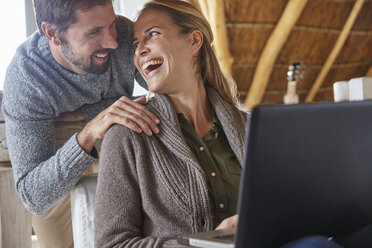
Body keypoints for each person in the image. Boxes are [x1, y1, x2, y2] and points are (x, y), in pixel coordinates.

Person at [2, 0, 160, 247]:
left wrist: (93, 114)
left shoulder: (126, 33)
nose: (113, 42)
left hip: (120, 161)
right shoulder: (27, 78)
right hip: (58, 179)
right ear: (52, 34)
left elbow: (173, 93)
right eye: (94, 32)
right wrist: (88, 132)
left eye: (111, 24)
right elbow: (34, 195)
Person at [94, 0, 247, 247]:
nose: (139, 50)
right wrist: (204, 244)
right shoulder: (127, 136)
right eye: (135, 44)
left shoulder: (250, 128)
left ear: (194, 41)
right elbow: (112, 244)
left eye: (152, 34)